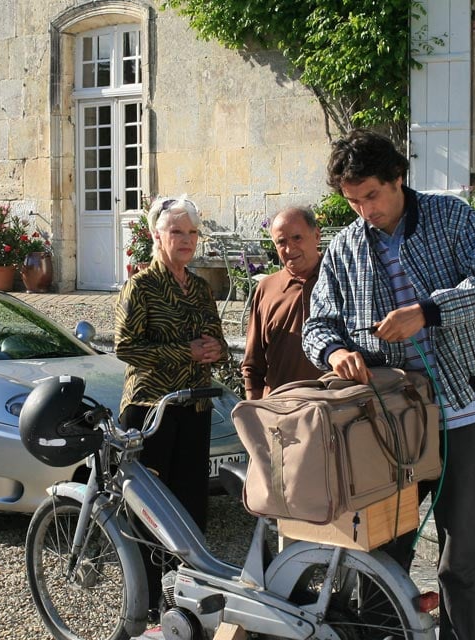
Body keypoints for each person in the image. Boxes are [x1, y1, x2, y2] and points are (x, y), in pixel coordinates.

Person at [301, 130, 475, 640]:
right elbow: (318, 325)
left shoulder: (454, 218)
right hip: (384, 417)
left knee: (462, 548)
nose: (363, 211)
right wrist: (335, 352)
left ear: (399, 178)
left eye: (371, 196)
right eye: (352, 201)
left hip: (460, 405)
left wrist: (428, 312)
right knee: (379, 547)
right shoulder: (345, 247)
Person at [114, 194, 226, 616]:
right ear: (156, 235)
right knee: (149, 510)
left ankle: (182, 597)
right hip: (150, 411)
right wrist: (187, 352)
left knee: (191, 507)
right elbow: (126, 347)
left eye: (192, 232)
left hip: (194, 409)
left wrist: (217, 350)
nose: (186, 240)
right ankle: (140, 599)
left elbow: (214, 341)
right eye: (177, 231)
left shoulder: (199, 287)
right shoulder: (140, 286)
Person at [241, 206, 325, 399]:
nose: (289, 249)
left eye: (297, 238)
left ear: (317, 236)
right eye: (281, 242)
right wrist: (255, 411)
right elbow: (253, 363)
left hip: (336, 409)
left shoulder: (340, 279)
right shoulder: (267, 288)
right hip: (281, 411)